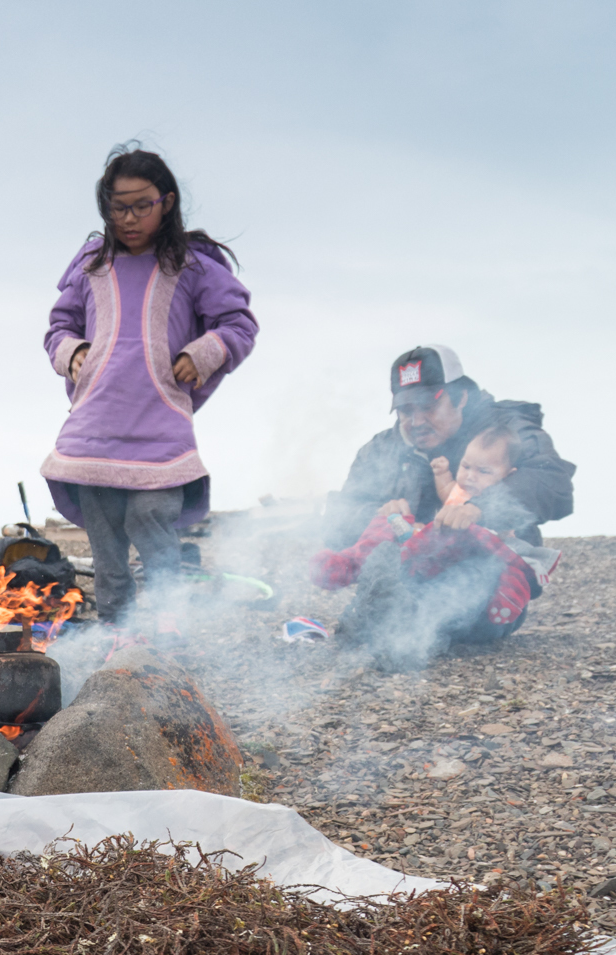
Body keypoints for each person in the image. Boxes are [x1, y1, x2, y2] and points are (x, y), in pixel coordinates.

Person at [40, 145, 258, 639]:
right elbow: (59, 325)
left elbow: (237, 323)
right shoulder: (92, 266)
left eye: (143, 205)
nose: (130, 217)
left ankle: (166, 637)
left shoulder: (194, 266)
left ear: (167, 201)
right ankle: (115, 640)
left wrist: (201, 353)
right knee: (106, 544)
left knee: (150, 519)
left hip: (161, 428)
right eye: (119, 207)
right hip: (93, 432)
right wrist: (72, 352)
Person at [309, 409, 560, 672]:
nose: (471, 476)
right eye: (465, 466)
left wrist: (483, 523)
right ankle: (365, 600)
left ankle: (412, 641)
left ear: (508, 476)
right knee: (402, 546)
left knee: (467, 578)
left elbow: (507, 557)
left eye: (483, 471)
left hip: (490, 606)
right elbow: (444, 500)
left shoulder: (503, 506)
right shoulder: (459, 491)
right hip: (438, 579)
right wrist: (416, 526)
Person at [323, 345, 575, 548]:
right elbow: (338, 520)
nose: (417, 421)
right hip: (402, 581)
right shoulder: (380, 450)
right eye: (406, 410)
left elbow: (552, 479)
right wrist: (376, 516)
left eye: (428, 407)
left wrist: (479, 509)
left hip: (490, 579)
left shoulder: (504, 430)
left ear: (462, 397)